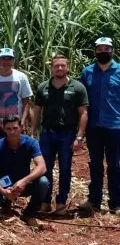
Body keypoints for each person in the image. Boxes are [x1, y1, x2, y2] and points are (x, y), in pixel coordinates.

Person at [32, 54, 89, 215]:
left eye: (62, 65)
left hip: (67, 135)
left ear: (68, 67)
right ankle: (45, 202)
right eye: (56, 65)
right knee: (44, 169)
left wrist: (79, 136)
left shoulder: (77, 87)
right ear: (51, 68)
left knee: (65, 169)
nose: (59, 68)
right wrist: (33, 133)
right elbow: (37, 111)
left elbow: (83, 113)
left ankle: (61, 203)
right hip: (47, 134)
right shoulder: (43, 87)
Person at [79, 37, 120, 215]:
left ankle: (116, 203)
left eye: (106, 49)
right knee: (95, 164)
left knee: (115, 165)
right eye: (99, 49)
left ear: (112, 50)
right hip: (94, 127)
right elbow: (82, 102)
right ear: (95, 51)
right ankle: (94, 201)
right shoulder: (87, 72)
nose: (103, 52)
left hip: (115, 126)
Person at [0, 115, 49, 225]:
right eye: (9, 129)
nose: (12, 132)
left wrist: (24, 181)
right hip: (5, 186)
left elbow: (42, 167)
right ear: (4, 129)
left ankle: (29, 213)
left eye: (15, 128)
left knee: (43, 182)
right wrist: (3, 191)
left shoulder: (31, 142)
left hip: (23, 184)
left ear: (21, 127)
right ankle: (6, 206)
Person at [0, 48, 33, 144]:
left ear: (13, 60)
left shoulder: (21, 77)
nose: (6, 62)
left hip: (16, 126)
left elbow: (26, 101)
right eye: (3, 59)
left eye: (9, 59)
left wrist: (22, 122)